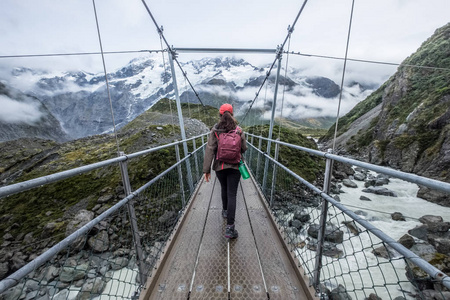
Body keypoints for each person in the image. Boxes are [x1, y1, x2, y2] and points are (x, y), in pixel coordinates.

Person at [203, 103, 247, 239]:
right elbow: (244, 148)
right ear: (232, 114)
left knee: (224, 188)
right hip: (235, 166)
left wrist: (207, 170)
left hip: (219, 166)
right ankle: (230, 228)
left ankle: (225, 211)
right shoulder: (239, 130)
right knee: (232, 194)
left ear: (220, 115)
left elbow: (210, 149)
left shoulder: (215, 130)